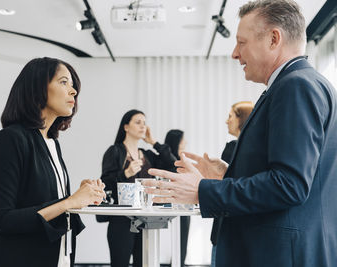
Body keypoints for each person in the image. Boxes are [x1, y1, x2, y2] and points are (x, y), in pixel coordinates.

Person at [143, 1, 337, 266]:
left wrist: (203, 190)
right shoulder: (306, 83)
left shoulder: (295, 87)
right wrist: (227, 174)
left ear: (273, 39)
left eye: (241, 43)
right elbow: (302, 179)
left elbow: (290, 185)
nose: (235, 53)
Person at [0, 57, 106, 267]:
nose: (73, 91)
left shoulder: (51, 142)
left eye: (73, 85)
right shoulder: (9, 139)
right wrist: (69, 202)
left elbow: (50, 205)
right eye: (63, 82)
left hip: (58, 257)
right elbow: (3, 220)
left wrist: (80, 196)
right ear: (38, 88)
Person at [100, 109, 176, 267]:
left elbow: (173, 165)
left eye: (144, 122)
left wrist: (154, 142)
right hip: (122, 219)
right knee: (119, 263)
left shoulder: (147, 154)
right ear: (126, 127)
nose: (143, 126)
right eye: (138, 122)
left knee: (144, 264)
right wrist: (125, 173)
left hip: (146, 218)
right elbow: (104, 183)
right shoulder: (115, 151)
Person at [163, 129, 190, 267]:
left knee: (182, 242)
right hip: (169, 206)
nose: (185, 142)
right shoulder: (169, 159)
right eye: (183, 140)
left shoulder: (182, 160)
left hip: (184, 206)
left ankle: (180, 263)